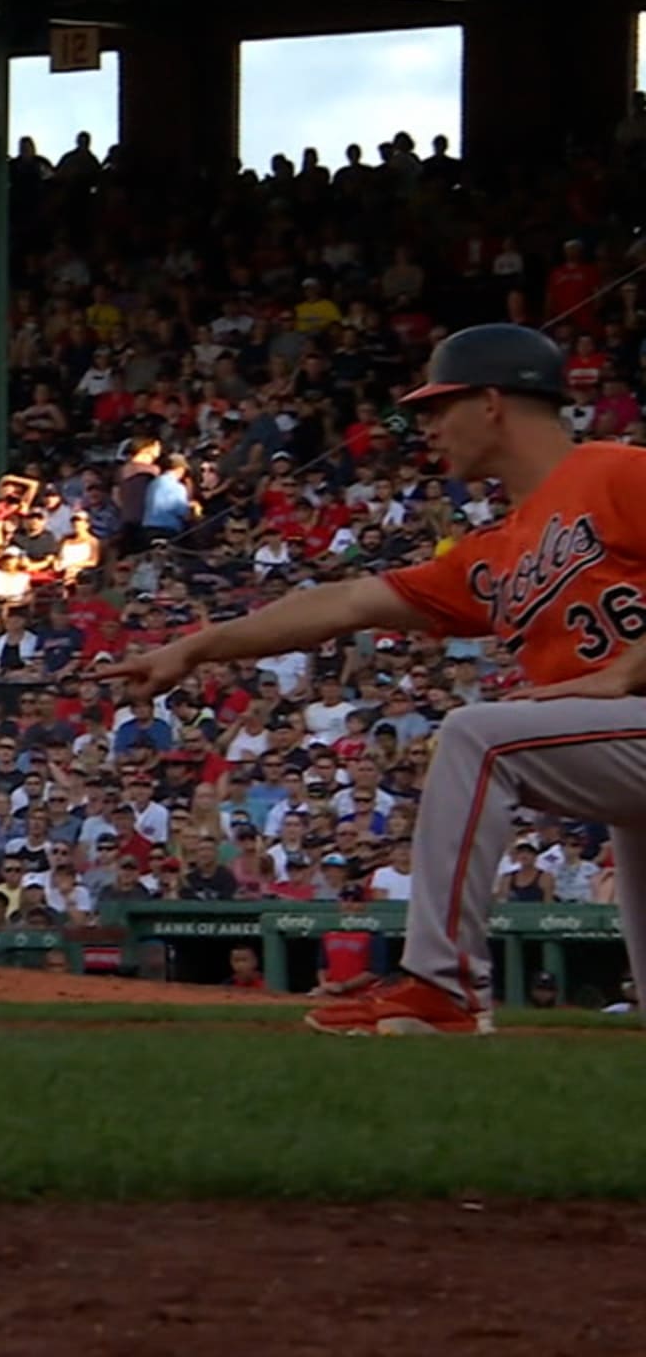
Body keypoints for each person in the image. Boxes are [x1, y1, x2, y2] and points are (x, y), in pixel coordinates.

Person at [107, 325, 646, 1036]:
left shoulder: (616, 471)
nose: (427, 428)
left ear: (491, 403)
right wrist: (198, 647)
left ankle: (442, 986)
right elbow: (348, 602)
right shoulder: (493, 551)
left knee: (478, 737)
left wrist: (629, 668)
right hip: (625, 752)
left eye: (439, 407)